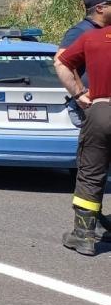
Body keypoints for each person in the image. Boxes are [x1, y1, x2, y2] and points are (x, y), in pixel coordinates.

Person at [55, 21, 111, 256]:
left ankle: (84, 236)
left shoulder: (94, 37)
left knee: (90, 174)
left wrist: (79, 93)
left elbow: (62, 61)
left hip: (102, 110)